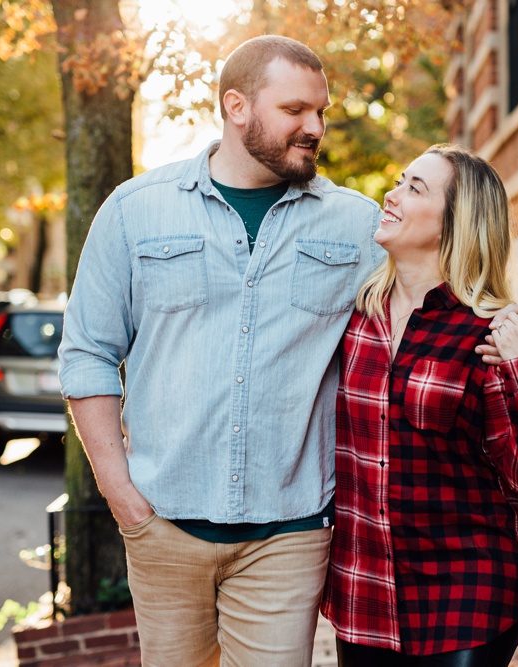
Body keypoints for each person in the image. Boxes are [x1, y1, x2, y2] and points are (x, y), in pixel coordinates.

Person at [58, 36, 387, 666]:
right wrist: (121, 495)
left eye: (320, 112)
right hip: (163, 526)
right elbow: (88, 354)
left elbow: (416, 319)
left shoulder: (355, 225)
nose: (314, 127)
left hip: (288, 534)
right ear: (237, 107)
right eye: (295, 110)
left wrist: (509, 316)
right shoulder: (135, 212)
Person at [321, 144, 518, 667]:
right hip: (367, 595)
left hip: (468, 594)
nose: (393, 192)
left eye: (415, 188)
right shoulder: (354, 317)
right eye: (401, 180)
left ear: (458, 222)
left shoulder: (488, 333)